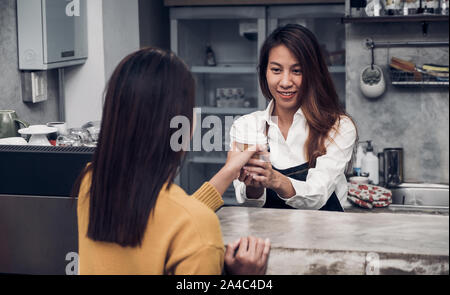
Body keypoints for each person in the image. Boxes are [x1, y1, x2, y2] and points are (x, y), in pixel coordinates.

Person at [73, 47, 270, 275]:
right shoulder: (198, 229)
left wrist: (229, 170)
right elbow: (181, 220)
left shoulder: (91, 183)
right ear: (180, 127)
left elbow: (165, 218)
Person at [231, 24, 357, 211]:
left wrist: (275, 180)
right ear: (264, 72)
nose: (285, 82)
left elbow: (318, 195)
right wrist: (252, 186)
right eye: (276, 70)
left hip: (325, 237)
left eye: (297, 71)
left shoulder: (338, 126)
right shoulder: (246, 126)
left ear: (314, 74)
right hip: (268, 238)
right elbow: (249, 205)